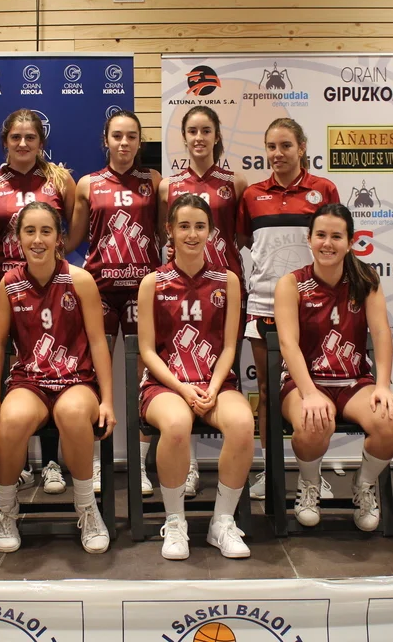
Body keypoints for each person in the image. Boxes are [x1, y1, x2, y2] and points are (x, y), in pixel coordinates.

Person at [0, 202, 115, 555]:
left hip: (76, 380)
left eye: (46, 231)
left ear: (59, 238)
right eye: (30, 231)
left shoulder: (80, 279)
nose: (38, 239)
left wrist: (107, 400)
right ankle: (6, 509)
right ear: (18, 238)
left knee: (72, 414)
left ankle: (86, 507)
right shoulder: (10, 284)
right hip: (29, 381)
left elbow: (98, 342)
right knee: (12, 421)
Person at [273, 204, 393, 531]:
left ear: (351, 241)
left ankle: (364, 483)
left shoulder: (365, 280)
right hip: (304, 382)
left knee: (391, 421)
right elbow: (288, 344)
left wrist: (384, 386)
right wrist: (309, 393)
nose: (327, 243)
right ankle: (309, 483)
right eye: (321, 235)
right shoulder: (291, 283)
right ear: (309, 239)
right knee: (314, 421)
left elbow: (381, 334)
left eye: (336, 236)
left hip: (354, 381)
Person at [137, 193, 254, 560]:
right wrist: (182, 388)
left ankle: (222, 522)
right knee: (175, 426)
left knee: (242, 423)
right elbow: (147, 351)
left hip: (215, 382)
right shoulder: (152, 282)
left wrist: (213, 387)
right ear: (169, 230)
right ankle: (175, 521)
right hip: (165, 385)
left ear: (211, 232)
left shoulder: (227, 280)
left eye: (200, 226)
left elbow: (231, 347)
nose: (192, 234)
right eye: (184, 226)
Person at [0, 109, 77, 496]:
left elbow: (74, 230)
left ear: (41, 143)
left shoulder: (59, 179)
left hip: (49, 287)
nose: (22, 143)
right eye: (15, 137)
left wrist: (55, 259)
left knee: (48, 367)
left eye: (30, 137)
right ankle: (15, 463)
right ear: (5, 142)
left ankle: (50, 462)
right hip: (1, 286)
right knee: (8, 370)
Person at [238, 118, 339, 502]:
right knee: (266, 391)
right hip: (264, 303)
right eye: (271, 147)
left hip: (313, 305)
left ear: (302, 147)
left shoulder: (323, 189)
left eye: (285, 146)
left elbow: (333, 240)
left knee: (314, 388)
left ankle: (313, 473)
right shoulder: (252, 195)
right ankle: (271, 470)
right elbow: (246, 240)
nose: (277, 154)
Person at [68, 110, 162, 497]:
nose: (124, 143)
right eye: (117, 136)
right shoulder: (88, 184)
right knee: (93, 376)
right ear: (105, 140)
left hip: (143, 290)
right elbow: (73, 239)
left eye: (131, 137)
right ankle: (94, 463)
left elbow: (165, 233)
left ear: (140, 142)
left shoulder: (153, 181)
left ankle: (139, 465)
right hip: (100, 290)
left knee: (145, 378)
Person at [158, 106, 248, 498]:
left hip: (223, 287)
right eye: (192, 131)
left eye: (206, 130)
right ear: (184, 137)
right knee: (182, 361)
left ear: (216, 136)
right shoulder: (169, 186)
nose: (199, 137)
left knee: (221, 367)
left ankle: (235, 462)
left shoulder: (235, 182)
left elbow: (241, 236)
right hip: (180, 288)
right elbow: (164, 235)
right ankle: (189, 464)